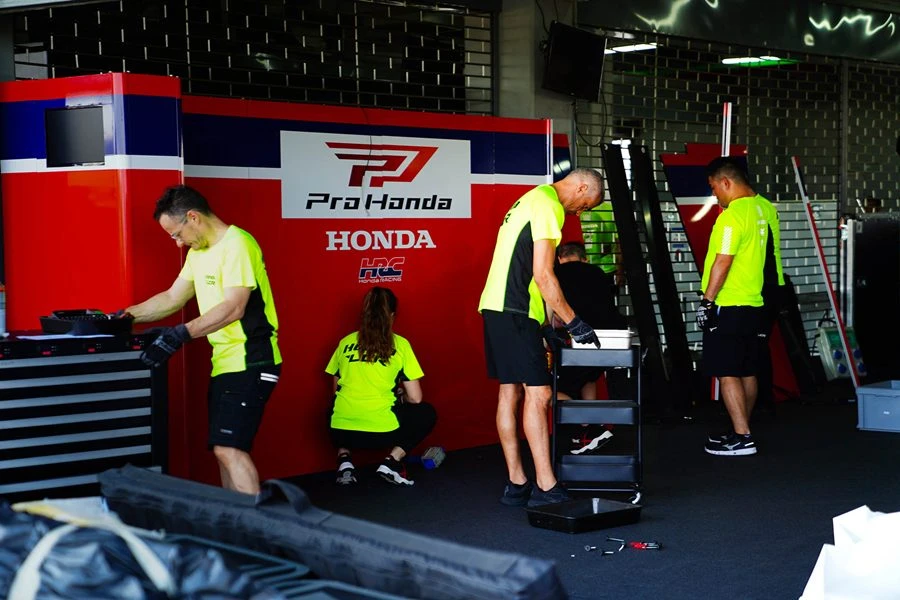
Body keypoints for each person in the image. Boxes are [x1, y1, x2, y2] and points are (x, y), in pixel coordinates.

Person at [124, 185, 281, 495]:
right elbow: (172, 298)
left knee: (229, 449)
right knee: (223, 451)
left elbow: (234, 308)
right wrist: (124, 318)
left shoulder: (237, 244)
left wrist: (180, 335)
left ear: (193, 217)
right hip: (225, 363)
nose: (178, 242)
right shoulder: (199, 253)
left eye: (176, 234)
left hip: (252, 359)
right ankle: (236, 518)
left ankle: (256, 520)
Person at [479, 167, 604, 508]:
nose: (581, 212)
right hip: (516, 310)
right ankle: (546, 486)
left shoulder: (529, 200)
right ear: (581, 186)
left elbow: (529, 270)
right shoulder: (549, 205)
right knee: (540, 394)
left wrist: (547, 326)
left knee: (510, 392)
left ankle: (517, 483)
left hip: (497, 307)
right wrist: (574, 323)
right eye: (586, 205)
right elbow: (543, 275)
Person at [699, 157, 778, 456]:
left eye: (713, 188)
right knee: (747, 370)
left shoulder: (731, 217)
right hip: (758, 302)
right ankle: (741, 430)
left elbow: (723, 260)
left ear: (726, 182)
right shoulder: (765, 208)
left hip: (730, 302)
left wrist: (707, 302)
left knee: (726, 370)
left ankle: (743, 437)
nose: (714, 195)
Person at [325, 287, 436, 487]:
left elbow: (336, 392)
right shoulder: (400, 345)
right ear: (392, 316)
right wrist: (399, 396)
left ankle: (344, 460)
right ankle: (391, 462)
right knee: (426, 412)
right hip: (383, 434)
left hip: (342, 432)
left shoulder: (345, 343)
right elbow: (416, 398)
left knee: (336, 406)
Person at [552, 242, 628, 454]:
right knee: (589, 377)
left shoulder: (555, 275)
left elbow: (558, 317)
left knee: (546, 390)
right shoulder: (598, 273)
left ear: (559, 258)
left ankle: (593, 427)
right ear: (584, 258)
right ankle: (589, 431)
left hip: (583, 339)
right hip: (614, 341)